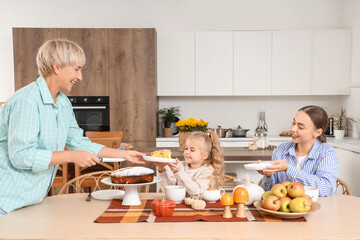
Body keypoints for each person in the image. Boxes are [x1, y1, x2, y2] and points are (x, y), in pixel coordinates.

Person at [0, 39, 145, 217]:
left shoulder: (62, 103)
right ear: (57, 67)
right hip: (6, 202)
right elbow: (21, 156)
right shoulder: (27, 101)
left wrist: (123, 154)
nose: (80, 76)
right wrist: (70, 156)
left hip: (30, 201)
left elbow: (78, 142)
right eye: (77, 69)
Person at [259, 105, 339, 197]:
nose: (292, 129)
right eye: (293, 123)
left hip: (318, 209)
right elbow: (269, 192)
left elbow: (326, 188)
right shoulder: (280, 151)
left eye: (300, 127)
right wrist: (268, 175)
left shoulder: (327, 153)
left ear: (317, 132)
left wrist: (289, 169)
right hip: (283, 210)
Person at [156, 131, 224, 196]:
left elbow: (196, 191)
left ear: (204, 155)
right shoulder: (182, 166)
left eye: (192, 150)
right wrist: (162, 170)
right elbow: (168, 190)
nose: (187, 152)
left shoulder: (207, 171)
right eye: (186, 148)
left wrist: (179, 172)